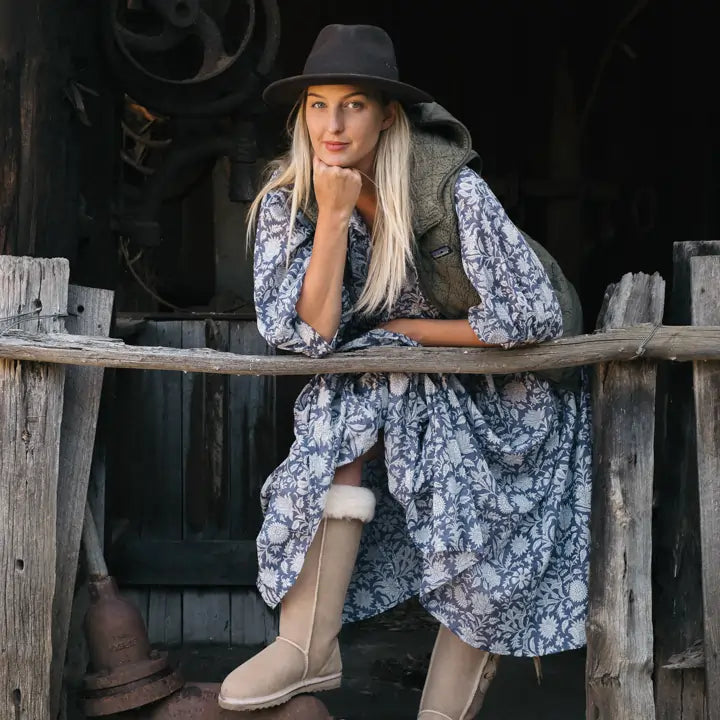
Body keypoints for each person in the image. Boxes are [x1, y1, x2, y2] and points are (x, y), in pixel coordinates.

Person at [218, 24, 592, 719]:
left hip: (510, 392)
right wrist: (331, 220)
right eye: (318, 104)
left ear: (387, 115)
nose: (333, 123)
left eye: (354, 104)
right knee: (345, 398)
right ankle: (307, 647)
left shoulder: (450, 189)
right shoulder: (288, 202)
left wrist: (405, 332)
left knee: (471, 513)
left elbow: (529, 318)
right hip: (399, 382)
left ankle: (441, 711)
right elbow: (304, 338)